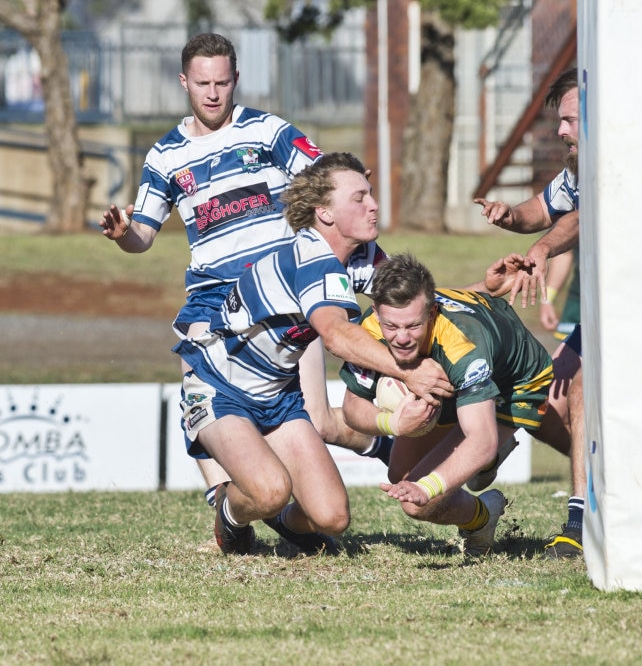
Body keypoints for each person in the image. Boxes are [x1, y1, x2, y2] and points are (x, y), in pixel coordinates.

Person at [98, 33, 448, 521]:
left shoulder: (268, 132)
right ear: (184, 82)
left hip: (288, 294)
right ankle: (228, 507)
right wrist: (123, 234)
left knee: (321, 420)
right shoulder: (165, 156)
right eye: (203, 83)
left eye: (223, 82)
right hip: (213, 297)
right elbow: (144, 235)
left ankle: (382, 457)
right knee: (204, 379)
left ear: (236, 79)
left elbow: (324, 177)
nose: (214, 93)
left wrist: (351, 188)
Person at [172, 153, 457, 555]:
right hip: (217, 389)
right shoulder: (311, 259)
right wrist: (409, 374)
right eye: (359, 198)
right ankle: (231, 519)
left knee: (332, 518)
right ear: (324, 213)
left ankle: (277, 518)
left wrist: (483, 291)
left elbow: (416, 302)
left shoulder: (361, 255)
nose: (373, 204)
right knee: (271, 490)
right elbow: (337, 336)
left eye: (370, 194)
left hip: (278, 397)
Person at [338, 253, 572, 558]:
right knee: (400, 474)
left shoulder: (462, 345)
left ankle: (491, 453)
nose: (401, 338)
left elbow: (482, 441)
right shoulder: (371, 328)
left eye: (413, 326)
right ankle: (482, 517)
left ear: (432, 312)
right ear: (378, 315)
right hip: (449, 375)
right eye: (391, 326)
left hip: (513, 383)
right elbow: (351, 406)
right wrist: (394, 424)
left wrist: (429, 488)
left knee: (417, 498)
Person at [473, 67, 584, 558]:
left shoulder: (622, 162)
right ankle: (501, 442)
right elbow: (544, 208)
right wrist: (510, 216)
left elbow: (584, 217)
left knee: (576, 390)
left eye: (570, 121)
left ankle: (581, 521)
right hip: (603, 316)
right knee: (545, 393)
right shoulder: (577, 170)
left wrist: (542, 250)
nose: (561, 131)